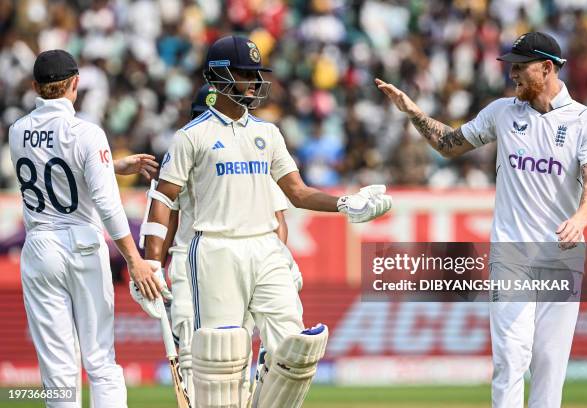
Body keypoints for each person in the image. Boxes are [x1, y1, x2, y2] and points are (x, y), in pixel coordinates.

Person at [141, 35, 391, 408]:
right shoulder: (191, 136)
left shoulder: (267, 133)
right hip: (214, 248)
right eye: (246, 74)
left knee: (297, 350)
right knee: (220, 361)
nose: (255, 82)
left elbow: (298, 192)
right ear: (219, 76)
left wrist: (346, 203)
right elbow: (163, 199)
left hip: (264, 247)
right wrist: (150, 260)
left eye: (257, 74)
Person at [377, 32, 587, 408]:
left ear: (547, 68)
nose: (512, 73)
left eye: (520, 66)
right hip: (510, 254)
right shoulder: (502, 112)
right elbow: (448, 144)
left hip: (561, 256)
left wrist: (581, 218)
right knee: (510, 357)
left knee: (549, 363)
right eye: (510, 66)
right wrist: (413, 112)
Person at [8, 49, 167, 408]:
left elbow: (57, 171)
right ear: (76, 85)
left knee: (59, 372)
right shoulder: (87, 133)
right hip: (82, 243)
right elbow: (107, 203)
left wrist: (112, 165)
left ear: (35, 86)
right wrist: (134, 260)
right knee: (100, 362)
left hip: (40, 248)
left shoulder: (17, 132)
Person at [138, 85, 304, 403]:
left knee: (235, 364)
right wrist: (152, 266)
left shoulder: (249, 154)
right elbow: (163, 221)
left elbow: (276, 218)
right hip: (191, 263)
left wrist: (281, 256)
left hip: (241, 262)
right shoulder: (186, 151)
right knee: (199, 363)